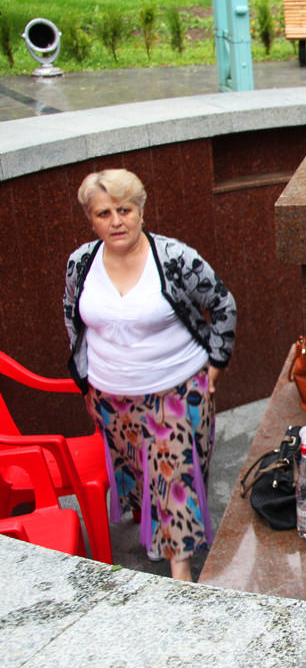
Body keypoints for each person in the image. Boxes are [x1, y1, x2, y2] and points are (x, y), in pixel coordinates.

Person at [64, 169, 237, 581]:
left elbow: (223, 304)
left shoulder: (174, 258)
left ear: (141, 211)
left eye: (124, 210)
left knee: (174, 480)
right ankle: (156, 536)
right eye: (104, 213)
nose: (116, 221)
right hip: (112, 398)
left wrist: (216, 366)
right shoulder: (80, 263)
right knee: (141, 475)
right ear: (91, 219)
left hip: (175, 392)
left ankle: (182, 575)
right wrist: (86, 379)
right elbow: (74, 319)